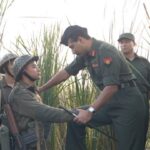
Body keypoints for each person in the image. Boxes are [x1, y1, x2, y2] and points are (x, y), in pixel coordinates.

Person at [39, 25, 147, 150]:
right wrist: (41, 89)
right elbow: (66, 72)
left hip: (128, 104)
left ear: (80, 39)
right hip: (110, 102)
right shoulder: (85, 55)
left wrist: (90, 111)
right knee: (74, 117)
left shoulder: (105, 51)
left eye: (72, 47)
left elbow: (112, 87)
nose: (73, 51)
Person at [9, 54, 74, 150]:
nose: (38, 69)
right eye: (33, 67)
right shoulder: (20, 94)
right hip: (27, 146)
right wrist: (74, 114)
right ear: (23, 71)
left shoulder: (30, 91)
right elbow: (44, 112)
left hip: (37, 144)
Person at [118, 32, 150, 145]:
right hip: (123, 102)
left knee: (141, 135)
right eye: (121, 42)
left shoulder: (144, 62)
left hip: (143, 102)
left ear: (134, 43)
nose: (123, 44)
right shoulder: (116, 62)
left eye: (127, 42)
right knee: (124, 137)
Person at [0, 53, 17, 150]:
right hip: (5, 136)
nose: (15, 66)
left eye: (17, 63)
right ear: (5, 68)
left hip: (23, 134)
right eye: (12, 64)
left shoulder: (23, 85)